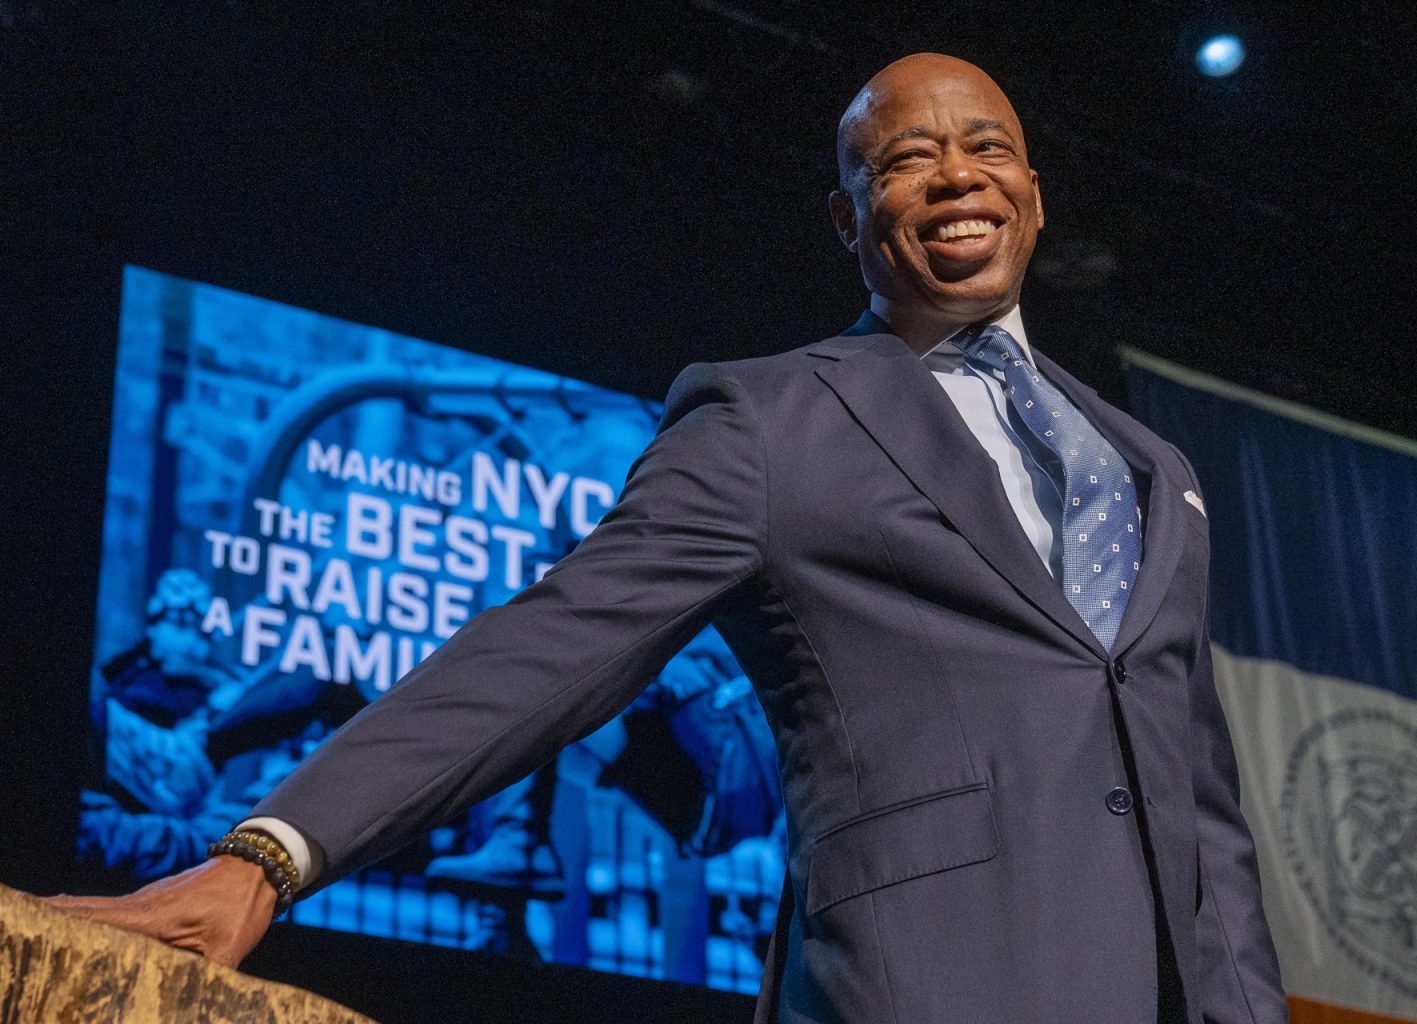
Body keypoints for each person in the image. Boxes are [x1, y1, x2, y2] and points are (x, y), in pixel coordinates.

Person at [49, 53, 1288, 1023]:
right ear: (849, 219)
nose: (957, 174)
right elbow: (556, 642)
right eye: (906, 159)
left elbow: (1204, 821)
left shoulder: (1150, 468)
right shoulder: (770, 418)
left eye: (988, 148)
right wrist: (265, 856)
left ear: (1030, 190)